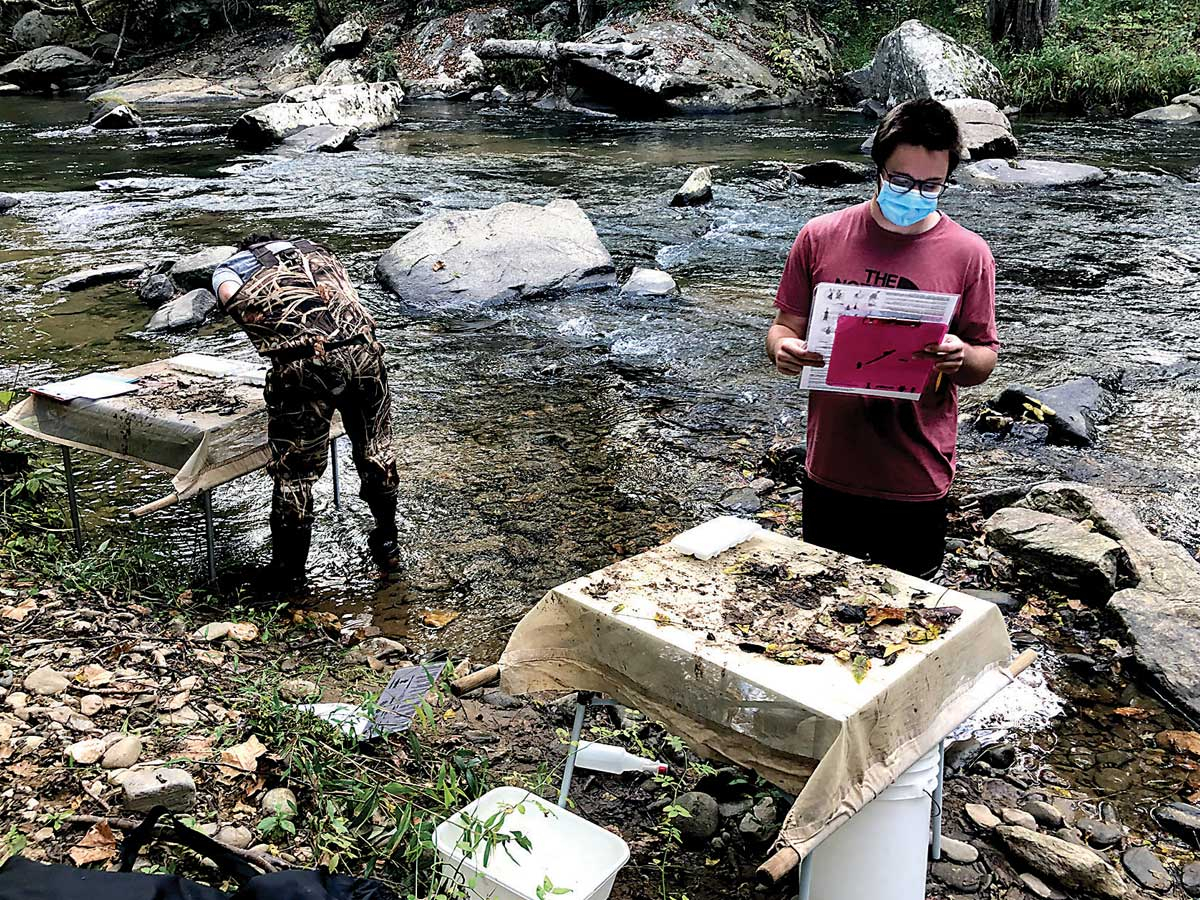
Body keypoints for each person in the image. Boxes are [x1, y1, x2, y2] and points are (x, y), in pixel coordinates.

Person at [766, 99, 999, 579]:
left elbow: (985, 358)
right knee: (823, 606)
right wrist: (782, 350)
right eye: (901, 180)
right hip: (832, 466)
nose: (915, 193)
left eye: (931, 185)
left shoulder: (968, 254)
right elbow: (784, 325)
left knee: (911, 618)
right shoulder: (820, 236)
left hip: (915, 472)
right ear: (878, 169)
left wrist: (961, 356)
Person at [212, 234, 399, 584]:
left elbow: (232, 301)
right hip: (365, 351)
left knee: (295, 472)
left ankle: (289, 576)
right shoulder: (318, 249)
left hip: (304, 365)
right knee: (376, 450)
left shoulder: (232, 268)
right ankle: (388, 544)